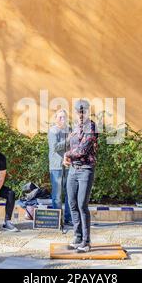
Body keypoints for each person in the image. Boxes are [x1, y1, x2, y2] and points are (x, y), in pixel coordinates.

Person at [64, 99, 98, 253]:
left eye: (84, 111)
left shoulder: (91, 127)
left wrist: (67, 154)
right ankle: (77, 237)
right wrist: (67, 157)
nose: (81, 114)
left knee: (82, 205)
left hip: (85, 169)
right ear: (75, 112)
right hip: (73, 169)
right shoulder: (74, 127)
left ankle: (86, 241)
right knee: (71, 203)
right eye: (79, 111)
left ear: (88, 112)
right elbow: (71, 145)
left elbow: (83, 150)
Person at [48, 109, 72, 226]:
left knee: (69, 194)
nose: (62, 119)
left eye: (64, 117)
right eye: (60, 117)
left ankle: (68, 219)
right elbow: (55, 147)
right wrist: (68, 140)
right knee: (57, 195)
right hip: (56, 167)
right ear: (55, 118)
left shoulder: (69, 130)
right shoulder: (52, 131)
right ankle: (57, 221)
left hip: (68, 166)